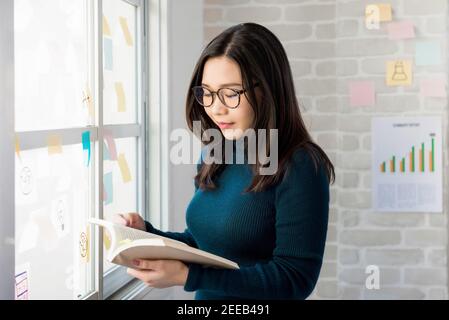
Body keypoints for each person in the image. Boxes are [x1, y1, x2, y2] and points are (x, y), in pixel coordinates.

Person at [118, 22, 335, 300]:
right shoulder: (216, 151)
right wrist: (146, 235)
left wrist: (188, 276)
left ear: (267, 90)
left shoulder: (301, 165)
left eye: (231, 93)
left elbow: (294, 279)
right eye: (206, 93)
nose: (215, 108)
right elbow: (204, 244)